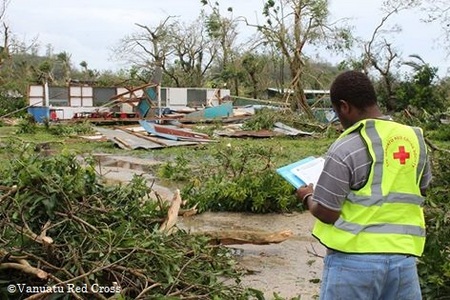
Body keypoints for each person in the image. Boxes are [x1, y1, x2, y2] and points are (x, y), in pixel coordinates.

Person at [296, 70, 432, 300]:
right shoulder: (414, 139)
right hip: (403, 261)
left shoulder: (347, 146)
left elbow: (328, 212)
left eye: (336, 111)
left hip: (354, 264)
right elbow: (422, 189)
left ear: (344, 107)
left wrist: (308, 196)